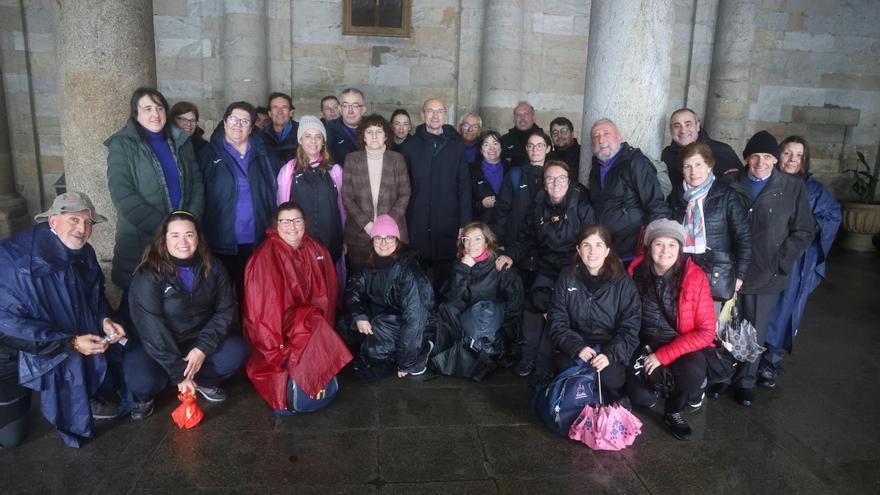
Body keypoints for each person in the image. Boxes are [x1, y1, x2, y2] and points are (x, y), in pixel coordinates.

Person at [0, 193, 126, 448]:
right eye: (74, 219)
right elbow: (11, 330)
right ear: (52, 221)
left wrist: (103, 319)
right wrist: (71, 343)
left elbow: (95, 294)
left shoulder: (83, 252)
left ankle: (84, 392)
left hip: (57, 339)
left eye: (89, 222)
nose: (83, 228)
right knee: (11, 437)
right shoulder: (15, 265)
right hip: (10, 357)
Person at [711, 131, 814, 407]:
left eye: (768, 156)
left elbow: (804, 231)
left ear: (775, 159)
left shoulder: (791, 187)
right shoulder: (729, 182)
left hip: (766, 273)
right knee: (726, 325)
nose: (761, 162)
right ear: (746, 158)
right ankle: (721, 377)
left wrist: (780, 261)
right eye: (755, 156)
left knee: (754, 330)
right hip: (731, 271)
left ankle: (745, 381)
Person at [124, 212, 249, 420]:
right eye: (174, 235)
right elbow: (151, 327)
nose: (183, 242)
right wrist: (177, 370)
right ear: (163, 239)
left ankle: (203, 382)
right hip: (158, 345)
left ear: (198, 238)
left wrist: (203, 348)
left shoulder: (214, 266)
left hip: (197, 340)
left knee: (237, 351)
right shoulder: (149, 273)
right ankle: (149, 395)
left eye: (189, 235)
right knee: (142, 381)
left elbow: (225, 310)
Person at [243, 203, 352, 414]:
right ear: (276, 225)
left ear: (305, 223)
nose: (292, 227)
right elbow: (262, 315)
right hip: (280, 334)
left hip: (311, 326)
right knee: (284, 395)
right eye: (285, 221)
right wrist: (279, 352)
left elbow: (328, 294)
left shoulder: (316, 248)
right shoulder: (264, 258)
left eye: (297, 220)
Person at [496, 161, 596, 378]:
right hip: (547, 265)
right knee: (534, 303)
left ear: (569, 181)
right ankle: (527, 356)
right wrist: (510, 255)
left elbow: (591, 243)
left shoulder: (581, 205)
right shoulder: (538, 204)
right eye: (550, 178)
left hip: (574, 268)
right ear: (544, 183)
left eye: (561, 178)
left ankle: (543, 363)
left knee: (556, 308)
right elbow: (526, 239)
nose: (555, 183)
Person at [760, 136, 841, 388]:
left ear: (804, 160)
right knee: (757, 305)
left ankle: (770, 363)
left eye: (798, 155)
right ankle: (746, 358)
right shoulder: (766, 181)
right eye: (787, 153)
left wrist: (805, 227)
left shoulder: (815, 190)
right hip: (763, 255)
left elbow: (832, 215)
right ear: (777, 156)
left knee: (783, 310)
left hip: (794, 260)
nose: (792, 159)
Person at [106, 87, 204, 293]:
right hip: (141, 239)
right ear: (136, 114)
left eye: (159, 108)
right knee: (144, 299)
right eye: (147, 108)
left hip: (181, 238)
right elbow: (123, 194)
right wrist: (165, 229)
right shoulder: (122, 144)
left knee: (181, 299)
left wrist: (188, 223)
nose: (155, 114)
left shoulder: (180, 140)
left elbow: (196, 184)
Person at [626, 219, 716, 440]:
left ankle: (674, 409)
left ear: (680, 248)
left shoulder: (694, 277)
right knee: (640, 397)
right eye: (658, 244)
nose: (665, 251)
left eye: (672, 245)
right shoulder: (635, 270)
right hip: (644, 341)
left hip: (680, 342)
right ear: (649, 246)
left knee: (693, 370)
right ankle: (661, 384)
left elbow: (706, 331)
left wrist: (662, 356)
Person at [546, 224, 640, 404]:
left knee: (610, 378)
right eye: (586, 245)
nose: (592, 251)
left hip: (609, 344)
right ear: (578, 250)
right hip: (578, 341)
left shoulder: (623, 283)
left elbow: (630, 328)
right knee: (563, 367)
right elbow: (557, 319)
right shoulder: (567, 277)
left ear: (607, 251)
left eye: (598, 245)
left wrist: (610, 355)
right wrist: (576, 347)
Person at [198, 101, 278, 303]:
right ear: (224, 122)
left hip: (258, 241)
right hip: (220, 242)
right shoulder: (207, 155)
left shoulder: (265, 154)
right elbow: (198, 196)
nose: (238, 125)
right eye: (233, 119)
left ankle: (248, 335)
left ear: (252, 128)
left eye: (244, 121)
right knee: (219, 301)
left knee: (252, 301)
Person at [344, 215, 435, 381]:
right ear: (372, 240)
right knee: (346, 326)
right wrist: (359, 315)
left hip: (418, 327)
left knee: (372, 366)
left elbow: (416, 319)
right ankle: (377, 351)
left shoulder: (409, 271)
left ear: (397, 240)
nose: (383, 243)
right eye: (378, 237)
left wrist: (406, 363)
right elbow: (354, 288)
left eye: (389, 238)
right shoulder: (372, 263)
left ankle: (422, 348)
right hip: (387, 318)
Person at [431, 222, 523, 380]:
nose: (471, 244)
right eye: (467, 239)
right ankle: (454, 353)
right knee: (447, 307)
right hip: (468, 319)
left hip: (490, 323)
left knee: (484, 309)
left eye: (477, 239)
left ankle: (476, 355)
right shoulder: (461, 263)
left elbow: (514, 305)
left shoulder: (499, 265)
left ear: (487, 242)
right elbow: (455, 297)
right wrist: (463, 270)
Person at [400, 97, 472, 294]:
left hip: (448, 222)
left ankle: (442, 320)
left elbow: (464, 186)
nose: (435, 115)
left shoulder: (456, 146)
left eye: (439, 111)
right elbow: (402, 187)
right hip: (418, 222)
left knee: (445, 281)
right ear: (422, 115)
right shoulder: (410, 146)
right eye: (430, 111)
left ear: (445, 115)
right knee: (416, 281)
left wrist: (464, 223)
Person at [668, 143, 752, 312]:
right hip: (681, 271)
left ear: (709, 166)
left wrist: (740, 275)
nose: (693, 172)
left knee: (707, 328)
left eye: (698, 164)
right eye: (687, 166)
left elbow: (743, 237)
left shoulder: (727, 196)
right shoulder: (676, 197)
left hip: (714, 274)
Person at [588, 118, 670, 262]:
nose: (601, 140)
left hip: (634, 253)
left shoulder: (635, 162)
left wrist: (656, 245)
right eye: (595, 135)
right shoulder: (596, 167)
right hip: (608, 251)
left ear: (619, 137)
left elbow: (655, 204)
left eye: (606, 133)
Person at [342, 114, 411, 274]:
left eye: (378, 131)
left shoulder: (397, 159)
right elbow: (347, 197)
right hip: (359, 234)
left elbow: (405, 194)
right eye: (369, 132)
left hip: (392, 235)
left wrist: (385, 227)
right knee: (359, 281)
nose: (374, 136)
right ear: (363, 136)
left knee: (392, 279)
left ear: (386, 136)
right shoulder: (352, 159)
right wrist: (367, 225)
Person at [276, 116, 345, 267]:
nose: (313, 141)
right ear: (301, 140)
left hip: (330, 237)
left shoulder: (335, 170)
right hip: (300, 238)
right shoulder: (288, 170)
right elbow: (282, 206)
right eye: (308, 136)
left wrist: (344, 237)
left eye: (318, 137)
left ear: (323, 141)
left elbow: (341, 207)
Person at [661, 108, 743, 201]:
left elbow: (742, 185)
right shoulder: (667, 155)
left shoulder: (722, 151)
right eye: (677, 126)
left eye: (688, 124)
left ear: (698, 126)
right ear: (671, 130)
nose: (683, 130)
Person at [491, 131, 550, 250]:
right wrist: (500, 240)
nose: (535, 149)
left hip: (546, 243)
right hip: (516, 242)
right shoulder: (515, 175)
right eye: (531, 145)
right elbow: (502, 210)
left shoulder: (555, 175)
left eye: (540, 145)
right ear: (526, 148)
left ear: (548, 148)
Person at [470, 130, 507, 226]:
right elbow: (466, 201)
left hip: (507, 226)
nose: (492, 148)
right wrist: (481, 204)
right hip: (482, 227)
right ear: (481, 150)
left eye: (495, 143)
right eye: (486, 145)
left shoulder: (511, 169)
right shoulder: (471, 171)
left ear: (501, 147)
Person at [326, 88, 366, 165]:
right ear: (340, 109)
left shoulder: (373, 128)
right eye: (346, 105)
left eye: (355, 105)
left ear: (363, 110)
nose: (350, 111)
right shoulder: (330, 129)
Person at [500, 101, 543, 167]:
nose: (522, 118)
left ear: (533, 117)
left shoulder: (543, 139)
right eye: (518, 115)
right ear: (514, 119)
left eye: (526, 114)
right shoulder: (504, 140)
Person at [262, 92, 299, 166]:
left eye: (284, 107)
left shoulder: (302, 133)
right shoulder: (261, 135)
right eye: (275, 107)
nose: (279, 112)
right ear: (269, 113)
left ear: (291, 112)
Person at [546, 117, 581, 184]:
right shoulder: (548, 157)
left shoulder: (582, 154)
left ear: (572, 133)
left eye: (564, 131)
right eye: (555, 133)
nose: (559, 136)